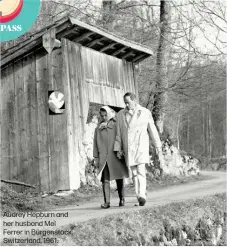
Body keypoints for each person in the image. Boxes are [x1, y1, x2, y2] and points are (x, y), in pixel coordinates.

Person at [114, 92, 166, 206]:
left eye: (128, 102)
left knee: (141, 170)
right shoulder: (121, 115)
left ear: (134, 100)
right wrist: (118, 149)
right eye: (125, 103)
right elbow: (118, 134)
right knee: (134, 173)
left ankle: (142, 195)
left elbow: (153, 130)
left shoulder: (145, 113)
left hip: (141, 146)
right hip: (129, 148)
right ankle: (139, 196)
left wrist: (158, 146)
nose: (127, 105)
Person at [93, 106, 129, 209]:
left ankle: (122, 199)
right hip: (103, 156)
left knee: (119, 177)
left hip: (115, 155)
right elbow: (95, 143)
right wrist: (96, 156)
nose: (104, 117)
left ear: (109, 114)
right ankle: (107, 202)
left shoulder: (116, 123)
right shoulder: (98, 128)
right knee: (105, 180)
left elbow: (121, 137)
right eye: (102, 115)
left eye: (106, 115)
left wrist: (121, 150)